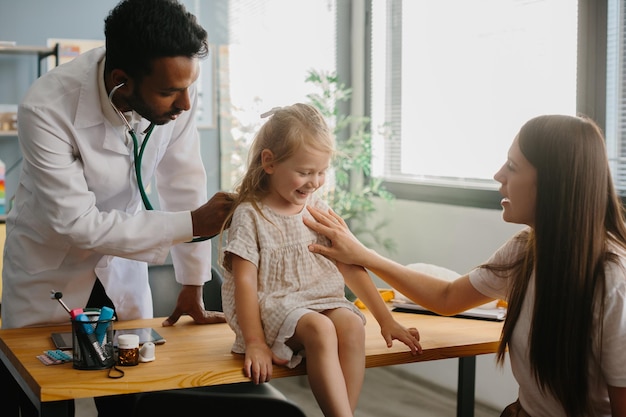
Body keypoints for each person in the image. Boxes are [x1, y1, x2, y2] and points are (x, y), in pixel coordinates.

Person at [304, 114, 626, 417]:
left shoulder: (613, 282)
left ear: (553, 183)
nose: (498, 175)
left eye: (512, 167)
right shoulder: (524, 251)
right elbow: (447, 298)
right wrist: (362, 254)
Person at [1, 0, 231, 415]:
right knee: (48, 397)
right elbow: (77, 223)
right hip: (49, 265)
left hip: (121, 267)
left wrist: (193, 284)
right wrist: (192, 223)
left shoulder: (175, 87)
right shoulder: (47, 107)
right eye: (168, 93)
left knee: (131, 392)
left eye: (188, 88)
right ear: (121, 79)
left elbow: (184, 184)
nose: (184, 105)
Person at [219, 103, 422, 417]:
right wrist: (255, 342)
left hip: (318, 298)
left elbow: (350, 266)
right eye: (304, 172)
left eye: (321, 172)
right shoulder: (251, 214)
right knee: (321, 329)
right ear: (269, 162)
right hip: (273, 305)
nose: (314, 182)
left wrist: (386, 319)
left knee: (353, 325)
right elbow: (244, 282)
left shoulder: (318, 210)